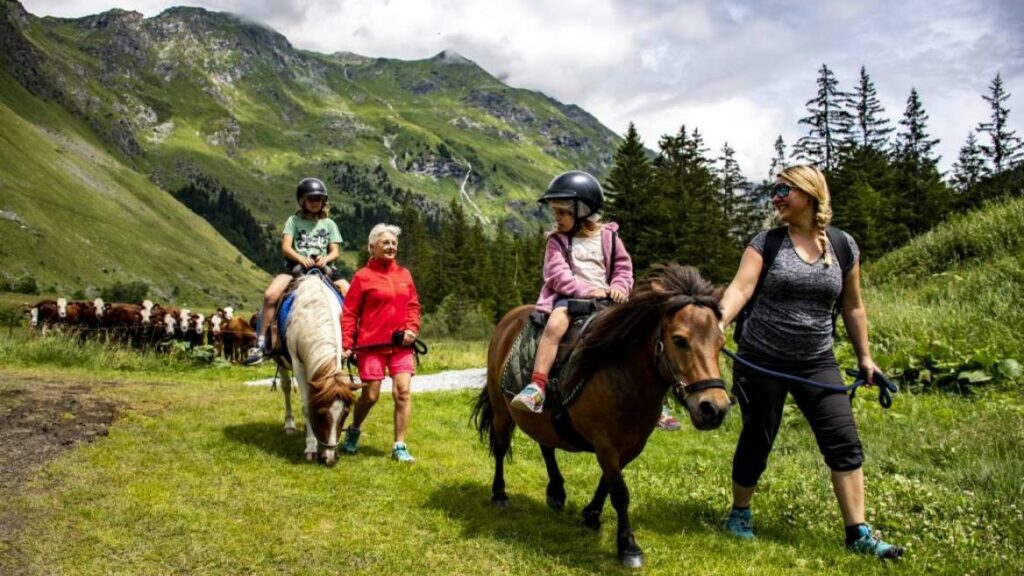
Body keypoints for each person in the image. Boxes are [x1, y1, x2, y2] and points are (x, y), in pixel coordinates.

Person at [717, 165, 903, 559]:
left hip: (816, 361)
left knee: (844, 441)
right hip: (760, 359)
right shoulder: (765, 243)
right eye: (774, 189)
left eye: (784, 190)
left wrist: (865, 357)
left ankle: (858, 534)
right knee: (758, 436)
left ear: (809, 193)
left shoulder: (842, 246)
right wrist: (717, 323)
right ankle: (740, 513)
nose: (776, 197)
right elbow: (741, 287)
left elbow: (853, 306)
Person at [510, 170, 633, 413]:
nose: (556, 217)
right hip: (570, 300)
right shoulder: (556, 241)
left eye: (562, 212)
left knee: (633, 332)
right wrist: (588, 291)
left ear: (583, 210)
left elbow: (623, 267)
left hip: (606, 300)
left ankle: (646, 398)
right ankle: (537, 386)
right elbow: (558, 276)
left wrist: (619, 288)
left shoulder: (609, 237)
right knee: (555, 326)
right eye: (554, 211)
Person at [242, 177, 349, 365]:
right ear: (302, 201)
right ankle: (261, 344)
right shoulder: (293, 221)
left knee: (350, 293)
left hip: (325, 268)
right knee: (270, 295)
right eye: (311, 199)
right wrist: (300, 258)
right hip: (295, 267)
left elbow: (335, 251)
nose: (316, 202)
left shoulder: (329, 224)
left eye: (319, 199)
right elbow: (286, 247)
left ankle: (352, 344)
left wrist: (326, 258)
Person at [340, 223, 421, 463]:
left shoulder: (404, 275)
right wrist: (346, 344)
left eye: (394, 243)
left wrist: (411, 329)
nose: (391, 246)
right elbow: (349, 313)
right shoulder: (362, 278)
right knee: (371, 396)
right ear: (372, 247)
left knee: (403, 392)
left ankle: (399, 445)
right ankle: (354, 429)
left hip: (401, 346)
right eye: (385, 242)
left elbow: (413, 306)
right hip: (370, 346)